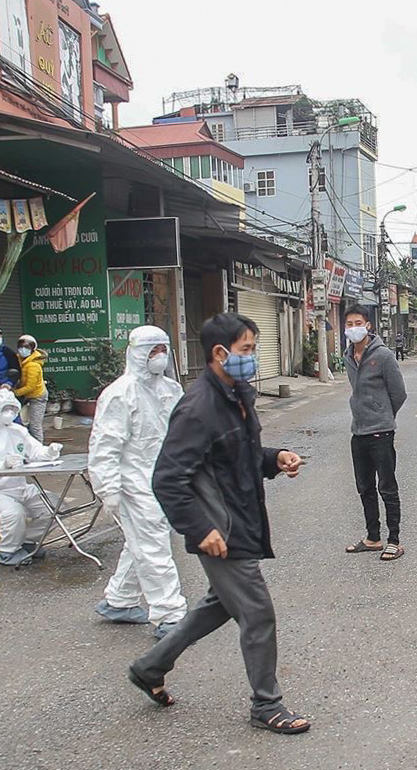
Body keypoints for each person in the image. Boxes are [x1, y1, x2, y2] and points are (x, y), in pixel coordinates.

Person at [127, 313, 311, 734]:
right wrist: (199, 529)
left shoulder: (238, 392)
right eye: (247, 350)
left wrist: (274, 458)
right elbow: (167, 479)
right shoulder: (198, 408)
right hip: (220, 531)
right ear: (219, 354)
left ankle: (150, 667)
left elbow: (237, 455)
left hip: (240, 518)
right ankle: (267, 705)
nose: (253, 358)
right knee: (257, 613)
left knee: (220, 606)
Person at [89, 326, 186, 635]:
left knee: (143, 542)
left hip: (163, 478)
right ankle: (170, 615)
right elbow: (106, 445)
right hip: (132, 482)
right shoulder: (120, 393)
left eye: (162, 350)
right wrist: (108, 489)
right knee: (153, 545)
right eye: (151, 351)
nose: (158, 357)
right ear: (136, 353)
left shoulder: (171, 389)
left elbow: (183, 433)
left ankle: (119, 600)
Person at [340, 303, 407, 562]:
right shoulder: (348, 356)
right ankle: (373, 537)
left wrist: (383, 416)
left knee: (387, 487)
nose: (354, 328)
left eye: (358, 323)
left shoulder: (384, 356)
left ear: (368, 325)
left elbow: (398, 394)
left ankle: (394, 541)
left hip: (381, 431)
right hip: (358, 432)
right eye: (349, 324)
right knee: (364, 487)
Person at [0, 388, 61, 568]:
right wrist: (2, 465)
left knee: (55, 506)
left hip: (18, 487)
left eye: (13, 409)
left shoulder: (17, 431)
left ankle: (28, 542)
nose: (9, 414)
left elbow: (35, 451)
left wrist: (49, 452)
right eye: (5, 409)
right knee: (13, 512)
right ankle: (8, 551)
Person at [12, 334, 48, 442]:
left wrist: (15, 392)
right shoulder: (19, 359)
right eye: (21, 346)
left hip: (37, 397)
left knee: (35, 426)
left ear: (33, 349)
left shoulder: (33, 365)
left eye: (27, 347)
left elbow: (30, 387)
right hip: (26, 395)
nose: (23, 349)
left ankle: (39, 450)